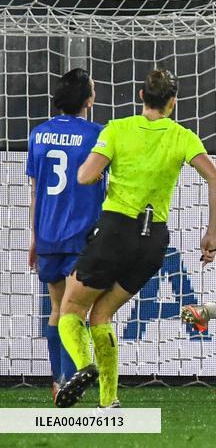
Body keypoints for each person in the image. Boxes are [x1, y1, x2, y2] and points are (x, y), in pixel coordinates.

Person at [54, 68, 216, 409]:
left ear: (141, 96)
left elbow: (85, 177)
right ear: (172, 103)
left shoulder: (118, 129)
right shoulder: (183, 137)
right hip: (152, 241)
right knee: (102, 316)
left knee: (70, 308)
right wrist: (210, 233)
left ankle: (85, 364)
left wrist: (105, 168)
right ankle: (108, 400)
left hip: (116, 229)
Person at [26, 69, 106, 402]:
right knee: (78, 312)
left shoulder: (38, 134)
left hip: (47, 236)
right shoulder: (97, 135)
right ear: (89, 99)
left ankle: (60, 380)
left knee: (56, 308)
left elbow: (36, 191)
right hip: (81, 235)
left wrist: (34, 237)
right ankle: (74, 381)